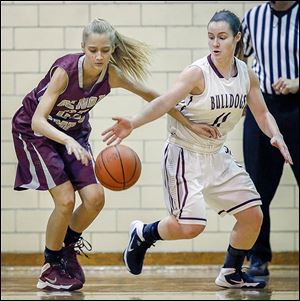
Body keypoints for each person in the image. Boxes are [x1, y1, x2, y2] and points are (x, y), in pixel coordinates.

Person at [11, 18, 218, 291]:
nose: (99, 56)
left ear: (112, 49)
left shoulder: (112, 74)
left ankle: (67, 250)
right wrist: (66, 141)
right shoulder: (65, 71)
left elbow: (155, 97)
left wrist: (189, 123)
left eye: (105, 50)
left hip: (72, 133)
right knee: (65, 200)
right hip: (36, 132)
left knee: (95, 199)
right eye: (93, 50)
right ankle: (50, 266)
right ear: (82, 47)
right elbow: (39, 120)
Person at [102, 10, 293, 289]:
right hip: (184, 153)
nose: (215, 43)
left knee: (254, 215)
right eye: (211, 37)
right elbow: (164, 102)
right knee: (192, 226)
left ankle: (230, 272)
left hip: (216, 153)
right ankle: (143, 233)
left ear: (237, 38)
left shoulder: (247, 76)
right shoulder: (197, 73)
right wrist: (133, 122)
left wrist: (275, 135)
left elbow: (262, 114)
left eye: (222, 37)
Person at [242, 1, 299, 278]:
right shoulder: (253, 17)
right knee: (257, 190)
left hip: (298, 106)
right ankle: (258, 258)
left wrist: (298, 82)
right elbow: (239, 59)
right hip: (263, 108)